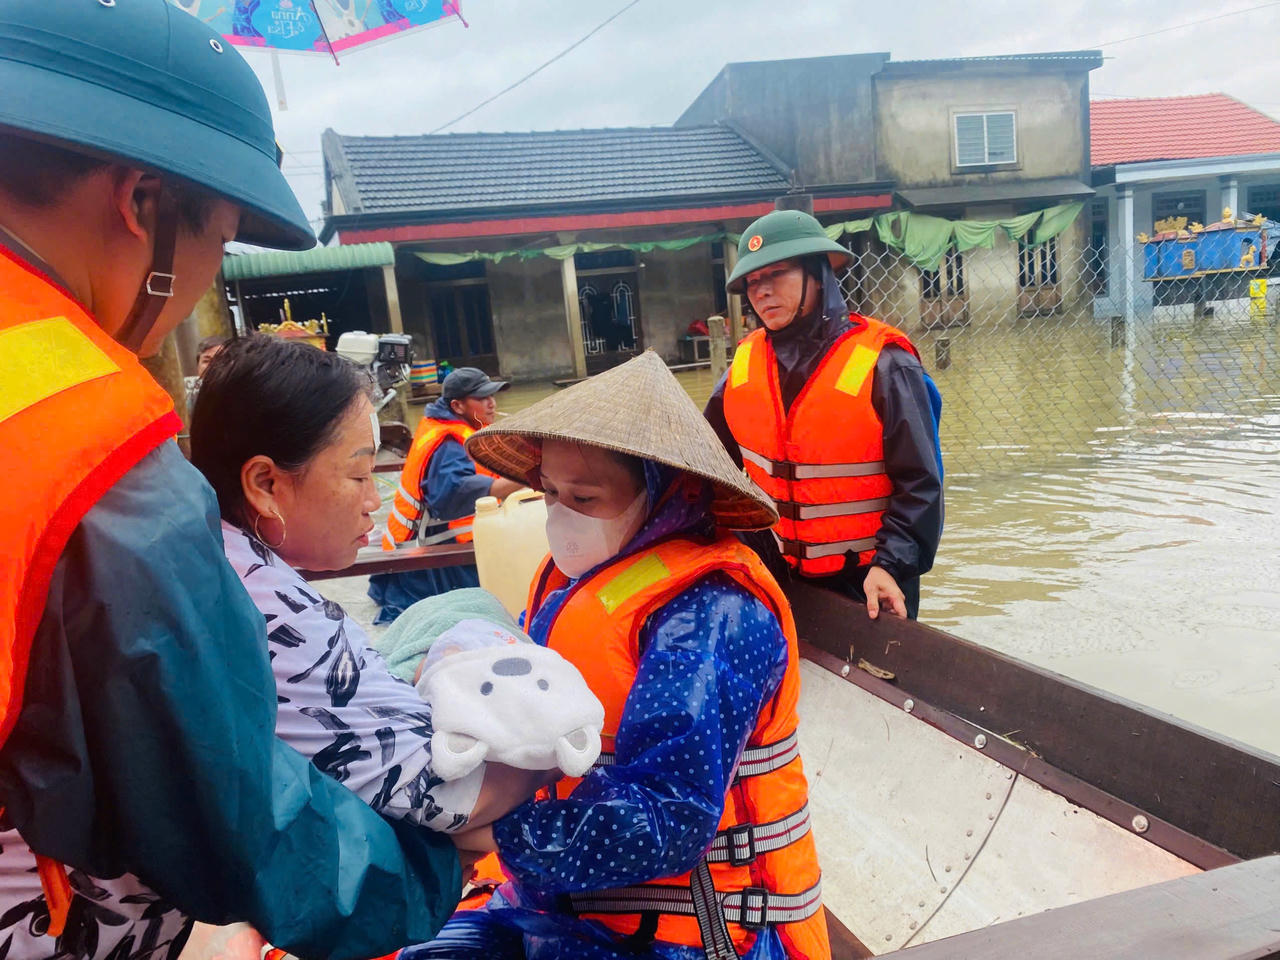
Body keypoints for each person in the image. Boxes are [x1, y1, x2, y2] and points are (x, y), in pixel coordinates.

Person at [0, 4, 462, 959]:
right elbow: (219, 804)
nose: (210, 274)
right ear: (141, 203)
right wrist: (428, 867)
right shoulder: (86, 442)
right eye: (218, 239)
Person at [407, 351, 830, 960]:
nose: (558, 514)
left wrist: (496, 831)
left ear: (662, 494)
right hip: (559, 905)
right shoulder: (576, 580)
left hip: (690, 934)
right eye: (550, 491)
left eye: (585, 496)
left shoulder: (711, 614)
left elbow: (670, 817)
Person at [704, 209, 944, 621]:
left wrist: (890, 565)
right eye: (753, 281)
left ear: (817, 274)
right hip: (774, 574)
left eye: (776, 274)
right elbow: (706, 464)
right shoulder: (742, 366)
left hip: (869, 582)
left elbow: (921, 485)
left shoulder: (886, 365)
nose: (762, 291)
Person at [369, 367, 523, 624]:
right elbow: (452, 494)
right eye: (482, 398)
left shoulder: (444, 426)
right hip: (429, 561)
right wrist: (522, 478)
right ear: (457, 405)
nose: (491, 403)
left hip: (413, 549)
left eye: (492, 396)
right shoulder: (449, 444)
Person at [185, 334, 227, 417]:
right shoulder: (193, 401)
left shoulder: (242, 396)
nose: (213, 365)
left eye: (220, 359)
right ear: (198, 366)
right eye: (207, 361)